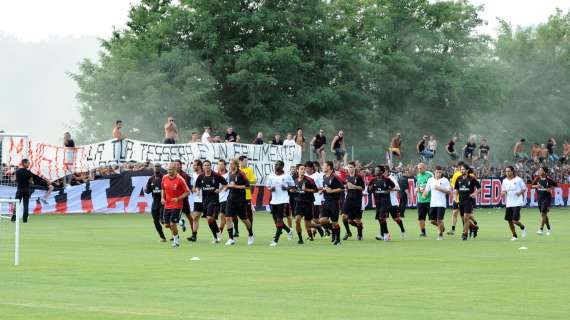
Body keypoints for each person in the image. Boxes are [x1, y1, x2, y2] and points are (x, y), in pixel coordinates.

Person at [194, 160, 227, 244]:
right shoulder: (200, 176)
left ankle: (216, 235)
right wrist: (197, 191)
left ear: (210, 166)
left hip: (214, 201)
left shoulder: (216, 175)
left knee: (209, 218)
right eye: (205, 165)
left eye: (208, 165)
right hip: (205, 201)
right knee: (210, 220)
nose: (206, 167)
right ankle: (216, 234)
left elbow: (225, 183)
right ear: (203, 167)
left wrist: (219, 189)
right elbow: (197, 186)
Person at [223, 159, 255, 246]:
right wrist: (228, 187)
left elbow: (247, 186)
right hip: (230, 199)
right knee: (228, 218)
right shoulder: (230, 173)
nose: (230, 166)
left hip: (240, 200)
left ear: (236, 165)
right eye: (230, 164)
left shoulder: (241, 174)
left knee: (244, 219)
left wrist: (235, 186)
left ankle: (251, 234)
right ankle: (231, 239)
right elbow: (231, 185)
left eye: (232, 164)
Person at [161, 162, 190, 247]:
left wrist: (178, 198)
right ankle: (181, 222)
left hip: (177, 205)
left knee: (172, 224)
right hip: (167, 205)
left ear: (175, 169)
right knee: (166, 225)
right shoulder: (164, 178)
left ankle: (176, 241)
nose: (168, 171)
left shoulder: (180, 179)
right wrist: (162, 198)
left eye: (170, 170)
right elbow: (163, 188)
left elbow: (187, 192)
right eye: (168, 170)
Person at [266, 161, 295, 246]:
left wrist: (286, 188)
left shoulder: (287, 176)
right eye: (275, 165)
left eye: (277, 165)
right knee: (276, 220)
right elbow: (268, 186)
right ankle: (289, 231)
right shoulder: (271, 176)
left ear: (282, 166)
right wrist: (271, 189)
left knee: (279, 220)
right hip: (273, 201)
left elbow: (293, 187)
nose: (275, 166)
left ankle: (275, 240)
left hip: (283, 201)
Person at [291, 163, 319, 243]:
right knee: (297, 220)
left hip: (308, 203)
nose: (303, 170)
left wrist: (307, 190)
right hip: (298, 204)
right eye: (302, 169)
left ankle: (312, 234)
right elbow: (294, 190)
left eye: (304, 169)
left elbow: (316, 190)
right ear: (298, 170)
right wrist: (292, 190)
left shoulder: (309, 180)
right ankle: (300, 239)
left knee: (307, 224)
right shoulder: (295, 180)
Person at [423, 166, 451, 240]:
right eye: (437, 172)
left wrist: (440, 188)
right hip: (433, 203)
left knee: (439, 220)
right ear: (434, 172)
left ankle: (440, 235)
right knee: (432, 221)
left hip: (441, 203)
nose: (438, 174)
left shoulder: (445, 180)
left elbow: (449, 192)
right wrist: (423, 196)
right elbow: (426, 190)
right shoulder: (430, 180)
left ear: (441, 172)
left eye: (440, 172)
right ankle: (442, 227)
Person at [368, 165, 395, 241]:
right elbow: (369, 191)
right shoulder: (373, 180)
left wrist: (388, 191)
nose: (375, 171)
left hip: (385, 202)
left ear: (381, 172)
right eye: (375, 170)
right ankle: (382, 234)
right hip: (378, 203)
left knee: (381, 218)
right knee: (380, 219)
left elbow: (392, 186)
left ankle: (386, 235)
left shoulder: (387, 179)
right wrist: (370, 189)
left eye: (377, 170)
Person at [454, 164, 481, 241]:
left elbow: (479, 188)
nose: (462, 171)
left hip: (469, 200)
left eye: (463, 169)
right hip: (461, 200)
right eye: (461, 169)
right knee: (463, 218)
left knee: (466, 217)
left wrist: (474, 194)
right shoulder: (458, 179)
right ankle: (474, 227)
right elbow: (456, 189)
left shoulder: (472, 179)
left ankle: (464, 234)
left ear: (467, 170)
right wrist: (455, 197)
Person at [320, 161, 344, 245]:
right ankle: (333, 231)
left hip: (334, 202)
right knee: (322, 221)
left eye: (324, 166)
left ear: (329, 167)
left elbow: (342, 188)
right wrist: (323, 190)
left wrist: (332, 191)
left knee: (334, 222)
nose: (322, 167)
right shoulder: (324, 177)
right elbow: (326, 187)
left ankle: (338, 240)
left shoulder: (335, 177)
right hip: (326, 202)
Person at [501, 165, 527, 241]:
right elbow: (504, 190)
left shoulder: (518, 179)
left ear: (512, 171)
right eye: (506, 171)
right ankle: (514, 235)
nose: (507, 173)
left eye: (509, 171)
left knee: (514, 220)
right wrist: (503, 193)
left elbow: (524, 188)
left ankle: (522, 227)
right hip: (509, 203)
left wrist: (519, 193)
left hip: (517, 202)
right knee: (509, 220)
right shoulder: (504, 181)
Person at [340, 162, 365, 241]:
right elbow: (345, 186)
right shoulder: (347, 177)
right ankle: (348, 232)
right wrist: (345, 186)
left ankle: (360, 234)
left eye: (351, 167)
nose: (350, 169)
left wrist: (354, 186)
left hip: (357, 201)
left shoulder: (359, 177)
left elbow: (362, 188)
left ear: (354, 168)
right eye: (349, 167)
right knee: (344, 216)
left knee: (356, 221)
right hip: (348, 200)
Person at [144, 163, 167, 242]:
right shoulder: (151, 179)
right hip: (155, 202)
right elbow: (148, 190)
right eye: (155, 167)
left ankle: (178, 225)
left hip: (163, 201)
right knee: (155, 221)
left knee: (162, 220)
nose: (156, 168)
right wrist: (146, 190)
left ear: (160, 168)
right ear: (153, 168)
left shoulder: (164, 177)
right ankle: (162, 237)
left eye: (158, 167)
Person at [531, 167, 557, 236]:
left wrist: (550, 188)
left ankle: (541, 229)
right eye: (539, 170)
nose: (539, 171)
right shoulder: (537, 179)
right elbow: (531, 186)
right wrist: (537, 186)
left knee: (543, 213)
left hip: (547, 198)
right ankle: (548, 229)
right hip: (540, 198)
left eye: (541, 170)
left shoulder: (549, 179)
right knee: (544, 214)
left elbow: (555, 185)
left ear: (545, 172)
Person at [239, 156, 257, 233]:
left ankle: (250, 230)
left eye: (247, 161)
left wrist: (246, 182)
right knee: (233, 214)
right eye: (245, 161)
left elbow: (253, 181)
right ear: (240, 161)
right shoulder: (236, 170)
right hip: (237, 195)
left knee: (249, 213)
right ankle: (235, 230)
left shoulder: (249, 170)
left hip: (247, 195)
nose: (246, 162)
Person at [174, 160, 192, 235]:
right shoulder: (171, 175)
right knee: (174, 218)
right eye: (175, 165)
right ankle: (175, 235)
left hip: (183, 199)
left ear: (181, 166)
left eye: (178, 164)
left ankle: (193, 233)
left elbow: (186, 187)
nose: (176, 166)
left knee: (189, 216)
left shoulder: (184, 175)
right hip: (175, 200)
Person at [415, 163, 433, 237]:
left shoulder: (429, 175)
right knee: (421, 218)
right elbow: (418, 185)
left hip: (430, 200)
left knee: (433, 220)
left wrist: (426, 189)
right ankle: (423, 232)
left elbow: (434, 184)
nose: (419, 170)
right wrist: (418, 189)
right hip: (421, 200)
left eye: (420, 168)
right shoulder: (418, 176)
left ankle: (440, 229)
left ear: (424, 168)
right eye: (418, 168)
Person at [387, 169, 406, 239]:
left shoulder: (391, 178)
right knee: (382, 219)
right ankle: (385, 234)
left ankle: (402, 230)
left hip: (392, 203)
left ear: (386, 171)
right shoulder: (379, 179)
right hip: (383, 203)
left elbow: (397, 188)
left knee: (396, 219)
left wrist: (389, 189)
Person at [308, 161, 325, 238]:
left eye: (307, 168)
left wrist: (312, 189)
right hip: (307, 200)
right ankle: (315, 231)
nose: (306, 170)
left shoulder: (318, 176)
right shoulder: (305, 175)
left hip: (317, 199)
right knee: (309, 218)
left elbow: (322, 186)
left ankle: (326, 226)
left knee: (315, 219)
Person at [188, 160, 204, 242]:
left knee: (210, 219)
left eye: (195, 165)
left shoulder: (205, 174)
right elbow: (192, 187)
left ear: (199, 166)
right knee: (195, 217)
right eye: (193, 165)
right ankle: (194, 235)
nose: (193, 167)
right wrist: (195, 190)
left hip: (207, 200)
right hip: (197, 200)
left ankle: (217, 234)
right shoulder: (193, 175)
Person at [216, 160, 231, 235]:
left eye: (221, 164)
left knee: (222, 216)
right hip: (215, 199)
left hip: (225, 199)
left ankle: (219, 234)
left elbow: (228, 184)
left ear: (225, 166)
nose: (220, 166)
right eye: (218, 164)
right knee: (211, 218)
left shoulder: (229, 175)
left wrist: (222, 188)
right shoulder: (215, 175)